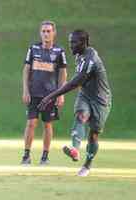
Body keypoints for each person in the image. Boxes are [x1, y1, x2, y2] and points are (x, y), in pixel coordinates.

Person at [38, 29, 112, 176]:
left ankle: (87, 165)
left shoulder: (91, 59)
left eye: (74, 42)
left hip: (101, 100)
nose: (70, 45)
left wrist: (51, 96)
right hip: (85, 95)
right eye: (70, 42)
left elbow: (75, 83)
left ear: (84, 43)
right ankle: (75, 149)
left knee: (93, 135)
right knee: (81, 116)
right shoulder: (79, 55)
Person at [21, 21, 67, 165]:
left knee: (47, 125)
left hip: (50, 95)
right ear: (40, 33)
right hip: (34, 93)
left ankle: (45, 156)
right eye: (43, 31)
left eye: (48, 31)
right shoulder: (33, 49)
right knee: (31, 123)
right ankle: (26, 156)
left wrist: (61, 93)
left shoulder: (59, 51)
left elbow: (63, 73)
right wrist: (25, 90)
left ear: (54, 33)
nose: (46, 34)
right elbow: (26, 70)